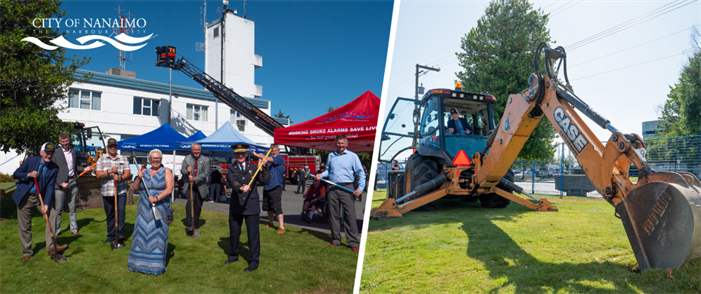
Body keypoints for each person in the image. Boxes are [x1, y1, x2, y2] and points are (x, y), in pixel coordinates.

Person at [12, 143, 66, 262]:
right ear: (41, 152)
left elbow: (50, 187)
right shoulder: (31, 160)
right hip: (24, 196)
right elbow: (15, 174)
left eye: (51, 153)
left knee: (52, 215)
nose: (49, 155)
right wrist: (28, 175)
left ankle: (51, 247)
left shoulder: (54, 168)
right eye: (47, 152)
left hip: (39, 197)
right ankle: (27, 252)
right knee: (24, 226)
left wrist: (46, 204)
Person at [128, 149, 174, 275]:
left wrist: (157, 198)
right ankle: (137, 264)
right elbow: (135, 189)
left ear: (161, 159)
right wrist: (138, 178)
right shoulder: (144, 172)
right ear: (149, 160)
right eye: (153, 158)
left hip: (159, 209)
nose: (155, 160)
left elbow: (169, 189)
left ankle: (155, 266)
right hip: (143, 210)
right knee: (140, 235)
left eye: (158, 158)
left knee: (158, 235)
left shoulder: (166, 171)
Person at [316, 135, 365, 253]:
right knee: (333, 215)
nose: (341, 145)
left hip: (347, 187)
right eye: (338, 143)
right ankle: (336, 240)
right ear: (336, 143)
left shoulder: (352, 156)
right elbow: (329, 170)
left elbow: (360, 172)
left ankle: (353, 243)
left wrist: (360, 188)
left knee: (350, 216)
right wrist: (322, 175)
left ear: (346, 144)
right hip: (332, 187)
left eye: (343, 143)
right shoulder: (331, 156)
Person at [225, 144, 269, 272]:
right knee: (234, 233)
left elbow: (265, 181)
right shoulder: (230, 168)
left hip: (251, 205)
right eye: (238, 153)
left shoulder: (255, 167)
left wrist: (265, 167)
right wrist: (240, 187)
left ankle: (254, 261)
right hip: (236, 205)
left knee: (253, 235)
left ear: (246, 154)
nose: (240, 156)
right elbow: (231, 180)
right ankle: (233, 256)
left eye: (243, 153)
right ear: (234, 155)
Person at [52, 132, 91, 236]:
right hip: (60, 184)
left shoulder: (73, 152)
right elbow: (52, 171)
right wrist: (60, 183)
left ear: (69, 140)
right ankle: (56, 231)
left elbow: (75, 168)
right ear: (60, 142)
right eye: (63, 141)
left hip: (73, 181)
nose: (65, 143)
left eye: (67, 141)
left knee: (72, 207)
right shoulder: (56, 153)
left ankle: (74, 230)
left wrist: (84, 169)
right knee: (59, 209)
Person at [95, 138, 131, 246]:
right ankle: (111, 236)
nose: (113, 148)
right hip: (107, 191)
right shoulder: (101, 159)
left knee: (121, 212)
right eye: (111, 146)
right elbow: (98, 174)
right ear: (107, 148)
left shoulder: (123, 158)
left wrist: (120, 178)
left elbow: (128, 173)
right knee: (110, 214)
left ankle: (119, 234)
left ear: (116, 147)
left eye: (114, 146)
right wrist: (110, 171)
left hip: (120, 190)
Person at [253, 144, 286, 234]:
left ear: (278, 151)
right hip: (267, 186)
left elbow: (269, 159)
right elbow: (260, 169)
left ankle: (281, 227)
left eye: (275, 150)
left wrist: (258, 155)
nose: (273, 152)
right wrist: (259, 158)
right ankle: (270, 223)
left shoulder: (280, 159)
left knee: (276, 206)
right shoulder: (267, 160)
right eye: (272, 151)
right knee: (268, 206)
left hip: (276, 185)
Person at [181, 143, 210, 238]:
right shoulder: (187, 159)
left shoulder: (206, 160)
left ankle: (195, 224)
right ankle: (189, 225)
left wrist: (195, 178)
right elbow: (182, 170)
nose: (196, 151)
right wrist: (187, 171)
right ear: (191, 150)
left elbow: (206, 173)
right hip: (190, 187)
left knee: (197, 206)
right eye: (195, 149)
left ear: (200, 150)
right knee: (190, 203)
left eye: (198, 150)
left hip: (200, 187)